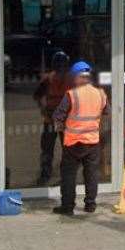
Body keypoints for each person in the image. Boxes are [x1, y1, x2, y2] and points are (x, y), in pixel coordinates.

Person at [51, 60, 109, 215]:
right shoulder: (101, 94)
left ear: (77, 76)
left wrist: (60, 127)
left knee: (69, 176)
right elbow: (106, 111)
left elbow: (58, 115)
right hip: (92, 142)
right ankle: (90, 205)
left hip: (73, 142)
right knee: (91, 174)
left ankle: (67, 207)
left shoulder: (72, 94)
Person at [32, 51, 71, 185]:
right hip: (54, 120)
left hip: (60, 120)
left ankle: (53, 175)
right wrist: (43, 109)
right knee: (51, 150)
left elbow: (37, 96)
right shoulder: (49, 79)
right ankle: (48, 174)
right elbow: (37, 96)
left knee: (55, 150)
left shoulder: (66, 79)